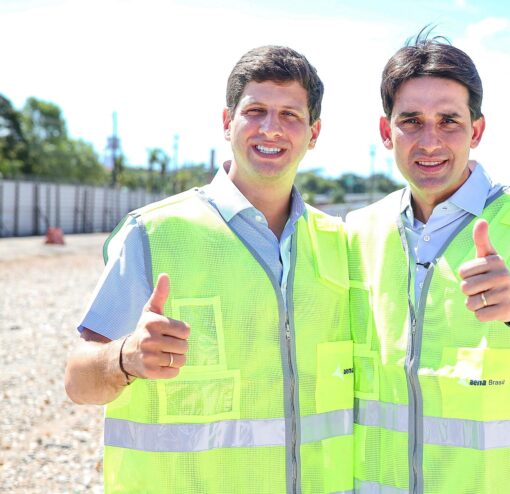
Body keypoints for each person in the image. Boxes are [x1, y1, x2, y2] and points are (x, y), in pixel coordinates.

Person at [64, 46, 353, 494]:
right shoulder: (154, 233)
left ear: (314, 133)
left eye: (290, 115)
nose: (271, 128)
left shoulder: (339, 242)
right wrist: (126, 357)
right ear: (226, 122)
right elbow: (78, 381)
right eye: (255, 110)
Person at [346, 31, 510, 493]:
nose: (430, 140)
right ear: (386, 132)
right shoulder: (358, 230)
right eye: (411, 121)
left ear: (476, 131)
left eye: (449, 120)